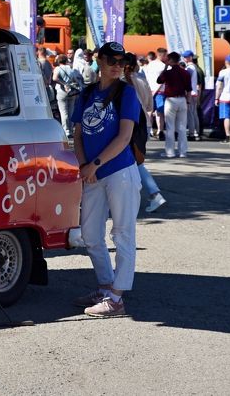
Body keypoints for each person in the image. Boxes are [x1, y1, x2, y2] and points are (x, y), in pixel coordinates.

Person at [69, 41, 142, 318]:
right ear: (98, 61)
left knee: (122, 233)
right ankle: (105, 285)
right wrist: (83, 165)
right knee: (90, 234)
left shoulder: (126, 93)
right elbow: (77, 134)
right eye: (111, 61)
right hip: (93, 172)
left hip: (119, 171)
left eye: (121, 62)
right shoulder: (87, 93)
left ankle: (117, 297)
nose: (116, 66)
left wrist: (95, 164)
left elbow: (124, 137)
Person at [123, 53, 166, 213]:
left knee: (133, 161)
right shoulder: (141, 80)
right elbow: (149, 105)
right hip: (144, 123)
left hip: (131, 124)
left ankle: (153, 193)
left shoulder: (123, 83)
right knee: (134, 160)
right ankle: (151, 193)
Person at [157, 51, 191, 158]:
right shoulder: (185, 72)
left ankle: (170, 152)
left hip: (170, 100)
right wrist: (188, 102)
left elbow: (159, 81)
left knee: (170, 127)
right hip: (182, 100)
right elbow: (189, 89)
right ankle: (182, 152)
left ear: (171, 60)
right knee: (182, 127)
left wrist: (165, 67)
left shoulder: (167, 73)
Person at [52, 54, 80, 138]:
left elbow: (54, 78)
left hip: (62, 91)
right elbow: (76, 79)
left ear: (58, 61)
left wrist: (63, 83)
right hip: (72, 92)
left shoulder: (58, 68)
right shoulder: (70, 69)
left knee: (63, 112)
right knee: (71, 111)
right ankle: (71, 130)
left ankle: (66, 131)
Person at [182, 51, 201, 140]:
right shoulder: (194, 67)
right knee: (193, 113)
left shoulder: (189, 68)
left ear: (189, 57)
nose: (184, 59)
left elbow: (185, 81)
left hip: (190, 93)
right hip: (194, 93)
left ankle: (192, 133)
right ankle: (196, 132)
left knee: (190, 114)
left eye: (185, 57)